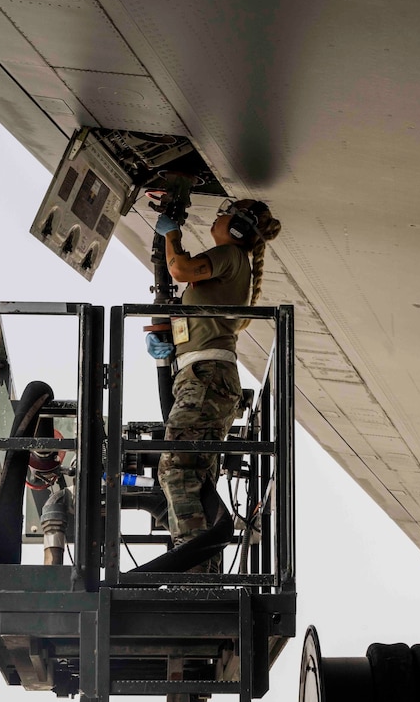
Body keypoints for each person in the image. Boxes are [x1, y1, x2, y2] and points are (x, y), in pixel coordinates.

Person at [147, 198, 282, 570]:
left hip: (206, 377)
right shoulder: (233, 261)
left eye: (225, 213)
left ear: (237, 227)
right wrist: (170, 347)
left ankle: (191, 569)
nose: (218, 217)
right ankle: (199, 570)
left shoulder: (230, 255)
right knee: (193, 475)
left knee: (176, 469)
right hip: (202, 374)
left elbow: (181, 269)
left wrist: (171, 231)